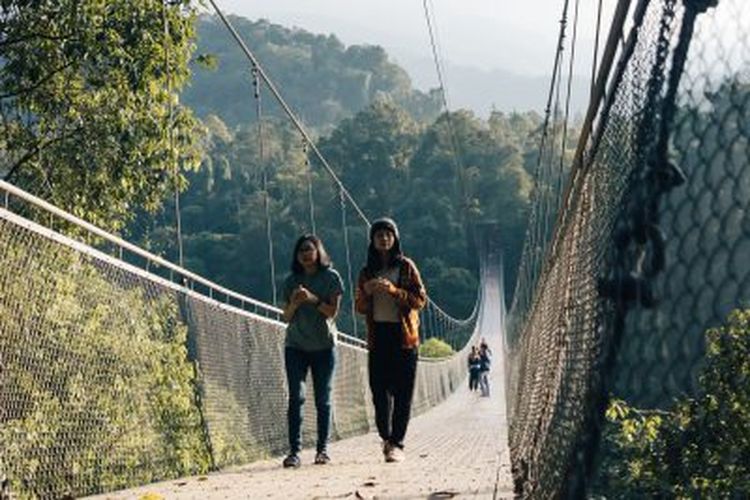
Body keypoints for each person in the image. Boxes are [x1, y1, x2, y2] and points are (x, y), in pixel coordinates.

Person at [355, 217, 427, 463]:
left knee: (403, 394)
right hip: (379, 337)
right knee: (379, 392)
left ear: (395, 238)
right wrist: (367, 291)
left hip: (404, 337)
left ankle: (397, 443)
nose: (384, 239)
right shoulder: (366, 272)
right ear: (372, 241)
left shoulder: (406, 267)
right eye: (379, 235)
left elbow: (420, 300)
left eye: (388, 234)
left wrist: (394, 291)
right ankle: (386, 437)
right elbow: (359, 306)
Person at [281, 235, 344, 468]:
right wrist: (296, 303)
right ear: (297, 256)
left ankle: (322, 450)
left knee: (323, 399)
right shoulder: (290, 281)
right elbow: (286, 317)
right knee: (296, 397)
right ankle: (294, 453)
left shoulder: (331, 278)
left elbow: (331, 313)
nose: (306, 254)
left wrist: (312, 298)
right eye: (301, 251)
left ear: (318, 252)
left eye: (309, 250)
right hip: (295, 345)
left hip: (324, 346)